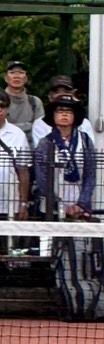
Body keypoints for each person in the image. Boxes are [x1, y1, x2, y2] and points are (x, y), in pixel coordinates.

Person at [32, 95, 96, 219]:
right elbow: (41, 179)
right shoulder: (45, 142)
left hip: (79, 206)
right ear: (53, 115)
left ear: (75, 115)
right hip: (51, 207)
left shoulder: (85, 141)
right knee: (51, 238)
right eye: (60, 111)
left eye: (69, 111)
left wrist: (81, 204)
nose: (64, 115)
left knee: (80, 237)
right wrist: (58, 205)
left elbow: (91, 174)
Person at [0, 90, 31, 247]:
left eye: (2, 106)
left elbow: (23, 172)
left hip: (9, 204)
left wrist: (23, 203)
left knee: (8, 250)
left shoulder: (17, 134)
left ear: (7, 110)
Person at [31, 76, 96, 149]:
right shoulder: (40, 124)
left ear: (73, 94)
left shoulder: (85, 124)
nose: (61, 94)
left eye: (66, 91)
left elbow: (90, 156)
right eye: (56, 91)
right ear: (49, 96)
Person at [5, 61, 44, 144]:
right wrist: (29, 126)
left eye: (21, 73)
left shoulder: (35, 102)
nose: (16, 76)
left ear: (26, 78)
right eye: (12, 73)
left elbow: (41, 130)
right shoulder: (1, 101)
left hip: (30, 149)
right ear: (6, 78)